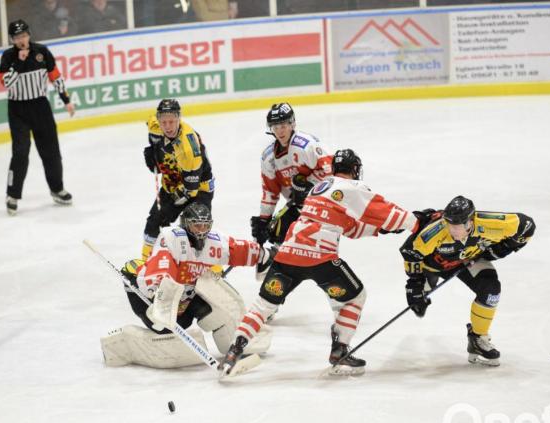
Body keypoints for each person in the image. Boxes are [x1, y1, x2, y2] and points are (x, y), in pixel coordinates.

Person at [220, 149, 421, 377]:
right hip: (319, 259)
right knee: (355, 297)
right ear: (355, 169)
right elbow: (385, 211)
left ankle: (233, 352)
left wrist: (380, 230)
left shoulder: (320, 188)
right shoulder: (352, 187)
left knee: (263, 305)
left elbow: (348, 226)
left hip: (286, 254)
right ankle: (340, 351)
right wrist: (416, 223)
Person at [101, 203, 273, 368]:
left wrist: (265, 254)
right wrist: (162, 295)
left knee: (211, 296)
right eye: (197, 226)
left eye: (205, 226)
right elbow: (162, 264)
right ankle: (126, 343)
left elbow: (237, 249)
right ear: (185, 224)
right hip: (150, 297)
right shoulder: (173, 237)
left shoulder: (213, 241)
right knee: (163, 327)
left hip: (183, 298)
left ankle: (232, 341)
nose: (202, 232)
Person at [399, 195, 536, 366]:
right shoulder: (436, 231)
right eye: (450, 225)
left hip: (467, 261)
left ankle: (478, 339)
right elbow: (410, 252)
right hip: (431, 267)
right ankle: (425, 286)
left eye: (457, 226)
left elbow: (527, 226)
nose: (453, 230)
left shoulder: (489, 223)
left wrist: (502, 249)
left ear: (470, 221)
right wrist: (414, 284)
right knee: (417, 305)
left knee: (491, 290)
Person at [0, 19, 75, 215]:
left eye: (23, 35)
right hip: (18, 110)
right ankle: (12, 195)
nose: (21, 40)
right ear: (12, 40)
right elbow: (6, 82)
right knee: (20, 153)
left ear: (29, 35)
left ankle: (57, 188)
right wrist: (19, 62)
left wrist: (66, 100)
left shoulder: (42, 52)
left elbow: (55, 77)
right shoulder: (8, 57)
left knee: (51, 152)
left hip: (40, 107)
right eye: (17, 37)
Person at [250, 102, 333, 249]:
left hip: (322, 205)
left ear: (292, 124)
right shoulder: (268, 157)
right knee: (276, 234)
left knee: (314, 246)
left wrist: (309, 187)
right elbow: (270, 191)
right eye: (275, 127)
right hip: (297, 206)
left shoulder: (306, 145)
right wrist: (264, 219)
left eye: (283, 126)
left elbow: (329, 171)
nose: (280, 131)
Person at [140, 99, 215, 260]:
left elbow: (189, 190)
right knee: (154, 222)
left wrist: (168, 209)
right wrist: (154, 154)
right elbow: (151, 127)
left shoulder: (189, 147)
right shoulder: (155, 125)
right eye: (164, 122)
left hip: (197, 187)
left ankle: (210, 266)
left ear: (179, 119)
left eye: (172, 122)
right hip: (172, 183)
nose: (167, 127)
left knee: (197, 226)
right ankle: (144, 263)